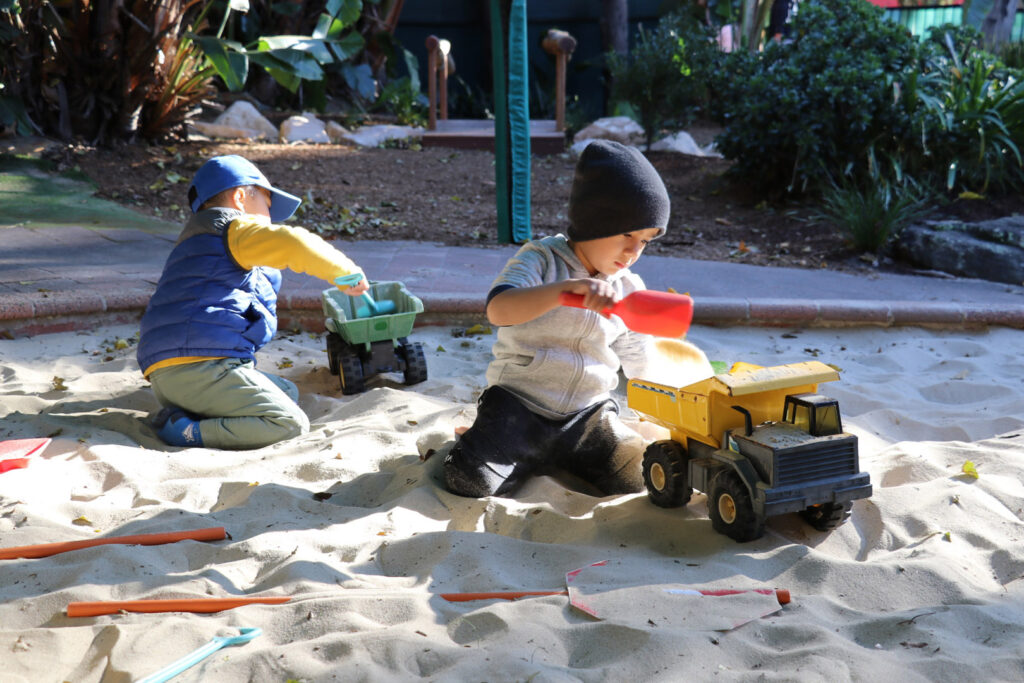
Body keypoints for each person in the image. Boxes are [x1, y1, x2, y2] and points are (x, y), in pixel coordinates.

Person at [443, 139, 671, 498]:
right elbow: (499, 310)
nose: (633, 251)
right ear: (595, 220)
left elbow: (639, 357)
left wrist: (662, 411)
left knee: (636, 477)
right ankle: (488, 442)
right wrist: (563, 293)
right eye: (627, 233)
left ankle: (559, 457)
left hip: (587, 415)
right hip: (519, 406)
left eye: (645, 241)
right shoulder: (541, 259)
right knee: (469, 480)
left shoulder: (629, 288)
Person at [137, 154, 370, 449]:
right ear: (239, 197)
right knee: (289, 423)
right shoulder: (233, 230)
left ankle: (188, 409)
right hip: (202, 366)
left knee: (287, 391)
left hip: (167, 372)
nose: (270, 219)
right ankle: (186, 432)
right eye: (267, 205)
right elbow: (294, 243)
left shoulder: (193, 242)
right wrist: (346, 273)